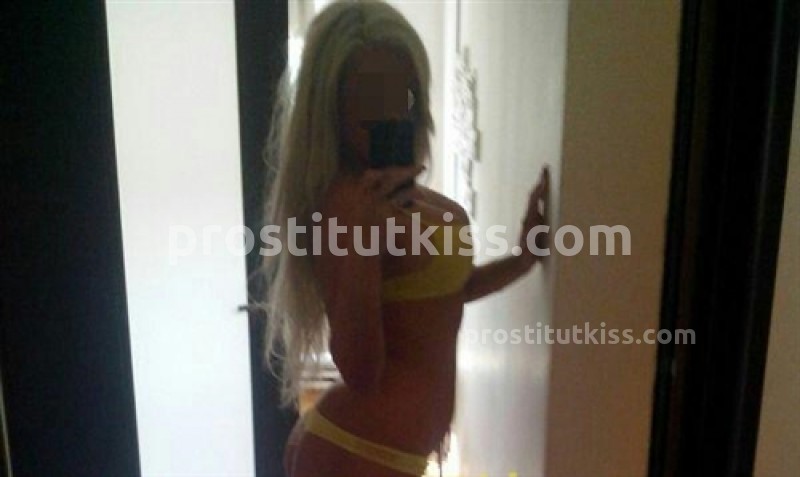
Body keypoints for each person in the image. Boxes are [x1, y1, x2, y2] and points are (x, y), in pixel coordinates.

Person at [257, 1, 550, 476]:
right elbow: (360, 371)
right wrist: (363, 244)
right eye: (368, 100)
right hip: (356, 453)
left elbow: (439, 299)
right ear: (332, 107)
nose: (390, 110)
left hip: (385, 452)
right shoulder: (346, 205)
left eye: (401, 93)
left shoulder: (404, 196)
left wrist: (522, 259)